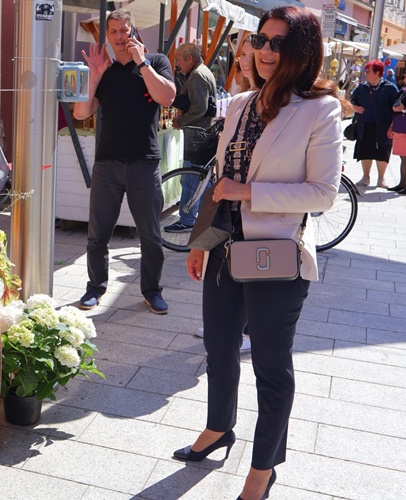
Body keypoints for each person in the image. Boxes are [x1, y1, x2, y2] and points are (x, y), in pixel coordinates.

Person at [180, 7, 343, 500]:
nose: (266, 51)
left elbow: (323, 193)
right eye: (261, 40)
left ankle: (264, 466)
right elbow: (219, 178)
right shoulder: (241, 103)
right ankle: (219, 427)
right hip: (224, 245)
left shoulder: (319, 109)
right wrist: (200, 242)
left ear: (302, 52)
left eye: (278, 43)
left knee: (271, 365)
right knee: (219, 348)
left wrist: (249, 192)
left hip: (273, 250)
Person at [73, 9, 176, 313]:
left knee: (151, 236)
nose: (120, 37)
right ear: (107, 36)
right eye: (114, 32)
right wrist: (94, 76)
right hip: (107, 164)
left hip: (144, 162)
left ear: (133, 31)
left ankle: (152, 291)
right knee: (98, 235)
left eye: (124, 30)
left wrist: (142, 63)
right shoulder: (105, 70)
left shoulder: (156, 62)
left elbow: (167, 97)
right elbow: (81, 114)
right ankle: (95, 288)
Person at [164, 43, 217, 233]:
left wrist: (180, 121)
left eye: (178, 59)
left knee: (190, 178)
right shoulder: (202, 72)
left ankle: (187, 219)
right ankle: (202, 217)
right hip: (203, 132)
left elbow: (199, 108)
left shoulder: (197, 75)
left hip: (198, 133)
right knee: (201, 179)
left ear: (189, 59)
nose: (177, 63)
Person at [349, 60, 399, 188]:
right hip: (364, 125)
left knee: (382, 151)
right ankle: (365, 177)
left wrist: (392, 126)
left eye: (368, 71)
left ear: (378, 73)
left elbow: (396, 107)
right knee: (365, 151)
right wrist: (355, 107)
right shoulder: (362, 87)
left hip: (383, 126)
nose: (366, 74)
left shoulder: (390, 88)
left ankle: (381, 179)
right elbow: (352, 100)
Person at [389, 89, 406, 193]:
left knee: (405, 158)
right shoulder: (403, 90)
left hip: (404, 127)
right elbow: (395, 107)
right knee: (403, 157)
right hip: (400, 127)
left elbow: (399, 107)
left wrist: (402, 109)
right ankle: (402, 184)